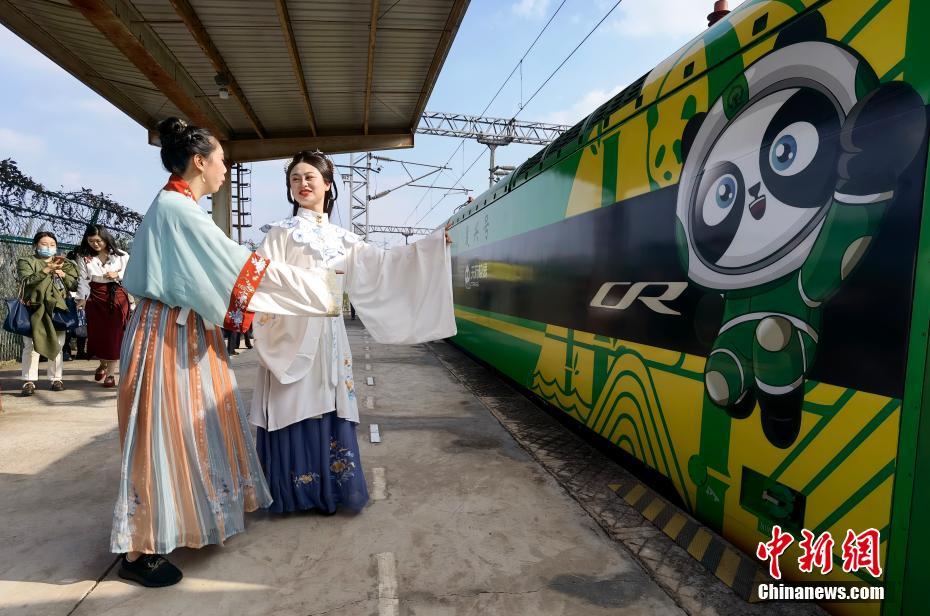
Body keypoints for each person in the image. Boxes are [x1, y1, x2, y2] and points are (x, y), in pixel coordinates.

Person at [112, 117, 341, 588]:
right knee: (164, 435)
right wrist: (319, 290)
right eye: (221, 160)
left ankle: (178, 525)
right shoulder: (180, 210)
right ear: (200, 161)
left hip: (182, 331)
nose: (223, 169)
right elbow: (239, 269)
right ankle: (140, 549)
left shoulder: (179, 205)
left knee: (185, 432)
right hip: (168, 337)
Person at [249, 150, 455, 516]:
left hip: (328, 334)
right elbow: (262, 282)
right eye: (295, 178)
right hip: (292, 334)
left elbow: (386, 264)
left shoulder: (344, 239)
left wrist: (430, 248)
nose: (302, 184)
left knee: (328, 402)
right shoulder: (280, 234)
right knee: (293, 403)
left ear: (328, 185)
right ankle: (294, 494)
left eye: (310, 177)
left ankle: (330, 491)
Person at [17, 231, 78, 395]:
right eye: (44, 244)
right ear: (36, 245)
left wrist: (63, 274)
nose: (48, 248)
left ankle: (56, 378)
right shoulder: (27, 261)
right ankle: (28, 381)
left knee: (58, 344)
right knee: (31, 346)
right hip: (34, 308)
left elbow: (74, 285)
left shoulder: (64, 264)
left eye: (52, 245)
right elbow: (26, 281)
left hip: (58, 308)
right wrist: (46, 270)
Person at [75, 225, 130, 387]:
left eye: (98, 240)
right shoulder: (83, 256)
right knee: (98, 334)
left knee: (114, 334)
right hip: (95, 296)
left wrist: (117, 275)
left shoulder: (122, 255)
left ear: (106, 239)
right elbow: (83, 280)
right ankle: (103, 364)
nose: (95, 244)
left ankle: (111, 375)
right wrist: (82, 299)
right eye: (91, 241)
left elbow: (130, 274)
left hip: (117, 295)